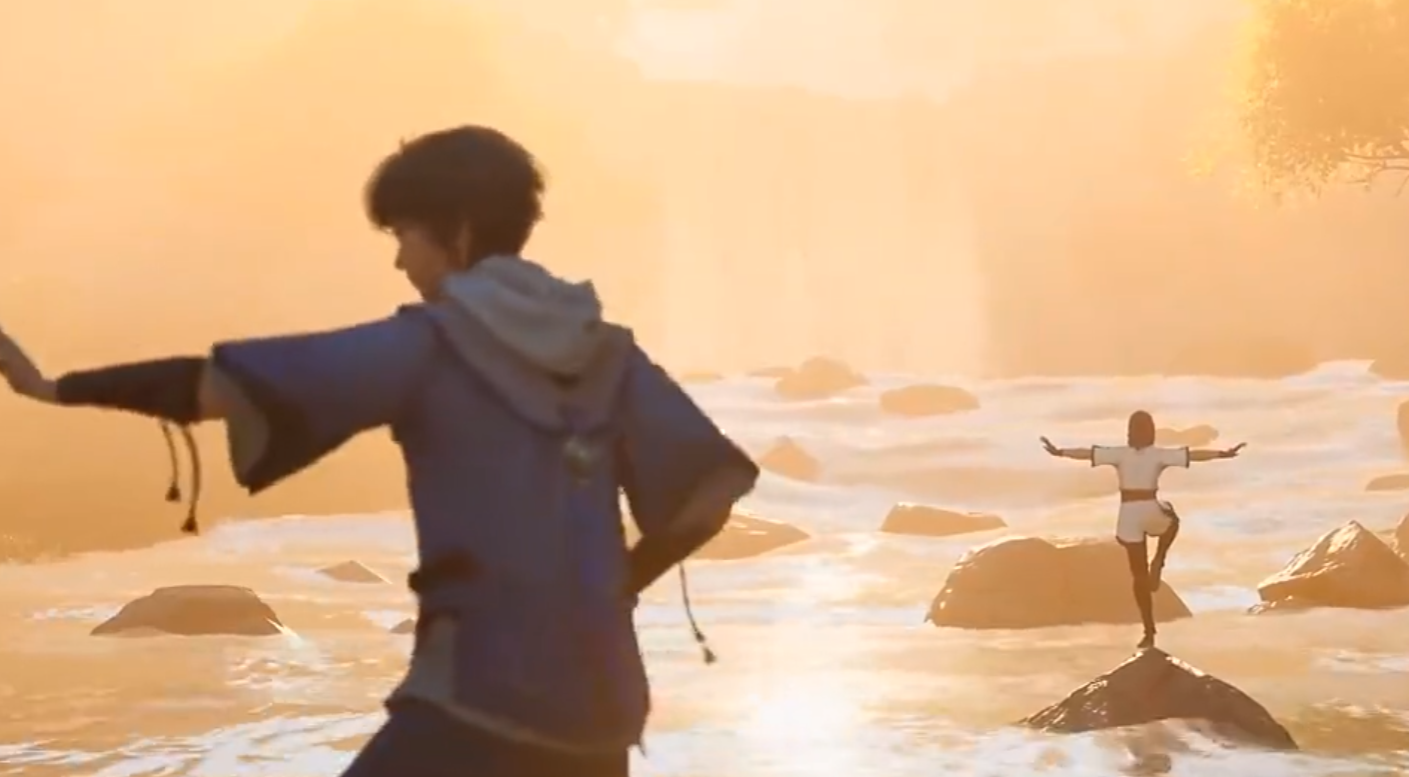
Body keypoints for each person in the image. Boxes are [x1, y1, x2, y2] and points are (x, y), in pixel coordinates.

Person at [0, 125, 759, 777]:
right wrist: (617, 585)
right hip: (600, 709)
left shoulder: (429, 346)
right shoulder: (609, 354)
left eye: (403, 236)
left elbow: (225, 385)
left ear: (458, 232)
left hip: (476, 700)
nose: (399, 262)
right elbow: (708, 495)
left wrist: (50, 386)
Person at [1039, 410, 1243, 650]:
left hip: (1128, 516)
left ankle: (1149, 631)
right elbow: (1193, 455)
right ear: (1151, 432)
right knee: (1172, 520)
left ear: (1129, 432)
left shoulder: (1119, 454)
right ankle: (1159, 558)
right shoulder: (1159, 454)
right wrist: (1223, 454)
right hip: (1151, 509)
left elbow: (1086, 453)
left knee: (1138, 577)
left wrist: (1059, 451)